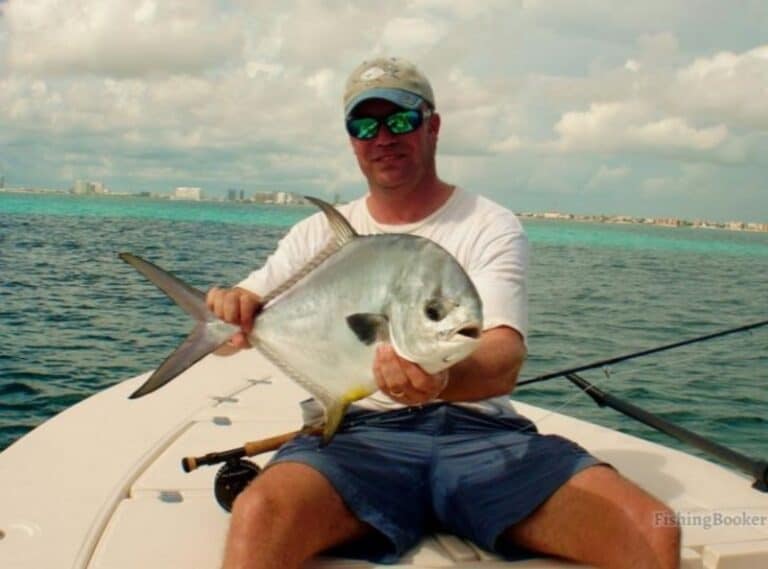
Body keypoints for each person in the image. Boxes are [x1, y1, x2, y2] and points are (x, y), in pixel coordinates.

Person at [207, 57, 681, 569]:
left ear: (432, 125)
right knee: (257, 518)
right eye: (364, 125)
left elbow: (502, 355)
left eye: (401, 120)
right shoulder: (316, 235)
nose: (382, 136)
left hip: (481, 436)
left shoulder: (489, 224)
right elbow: (244, 306)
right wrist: (230, 309)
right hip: (356, 437)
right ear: (351, 140)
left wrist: (440, 382)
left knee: (651, 533)